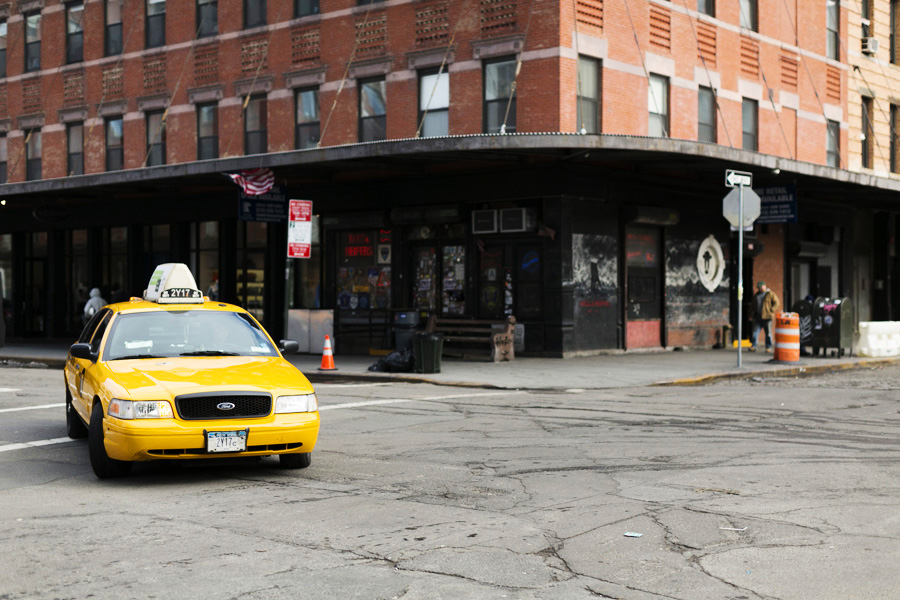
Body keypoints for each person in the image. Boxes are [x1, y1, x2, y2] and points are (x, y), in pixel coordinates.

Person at [749, 281, 780, 353]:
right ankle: (753, 346)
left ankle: (768, 347)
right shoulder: (756, 295)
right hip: (757, 316)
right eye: (759, 287)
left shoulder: (770, 294)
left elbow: (777, 302)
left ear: (765, 286)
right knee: (754, 332)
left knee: (768, 333)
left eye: (761, 287)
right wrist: (751, 315)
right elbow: (752, 306)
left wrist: (771, 310)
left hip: (767, 316)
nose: (760, 288)